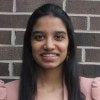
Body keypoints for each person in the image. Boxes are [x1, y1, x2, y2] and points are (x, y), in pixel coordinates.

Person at [0, 3, 100, 100]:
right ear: (29, 44)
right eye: (39, 37)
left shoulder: (93, 92)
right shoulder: (7, 94)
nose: (49, 46)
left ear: (69, 45)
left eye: (58, 37)